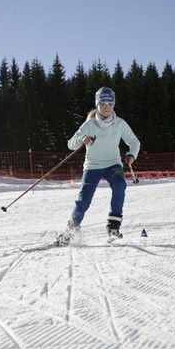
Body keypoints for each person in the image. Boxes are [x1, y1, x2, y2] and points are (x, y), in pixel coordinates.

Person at [56, 87, 141, 245]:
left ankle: (113, 227)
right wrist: (83, 139)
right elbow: (71, 144)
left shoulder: (120, 124)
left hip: (113, 164)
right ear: (97, 104)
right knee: (84, 199)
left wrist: (131, 155)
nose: (106, 107)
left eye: (110, 103)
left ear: (114, 104)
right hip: (93, 165)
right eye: (103, 103)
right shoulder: (90, 124)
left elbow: (134, 142)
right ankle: (70, 231)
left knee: (120, 185)